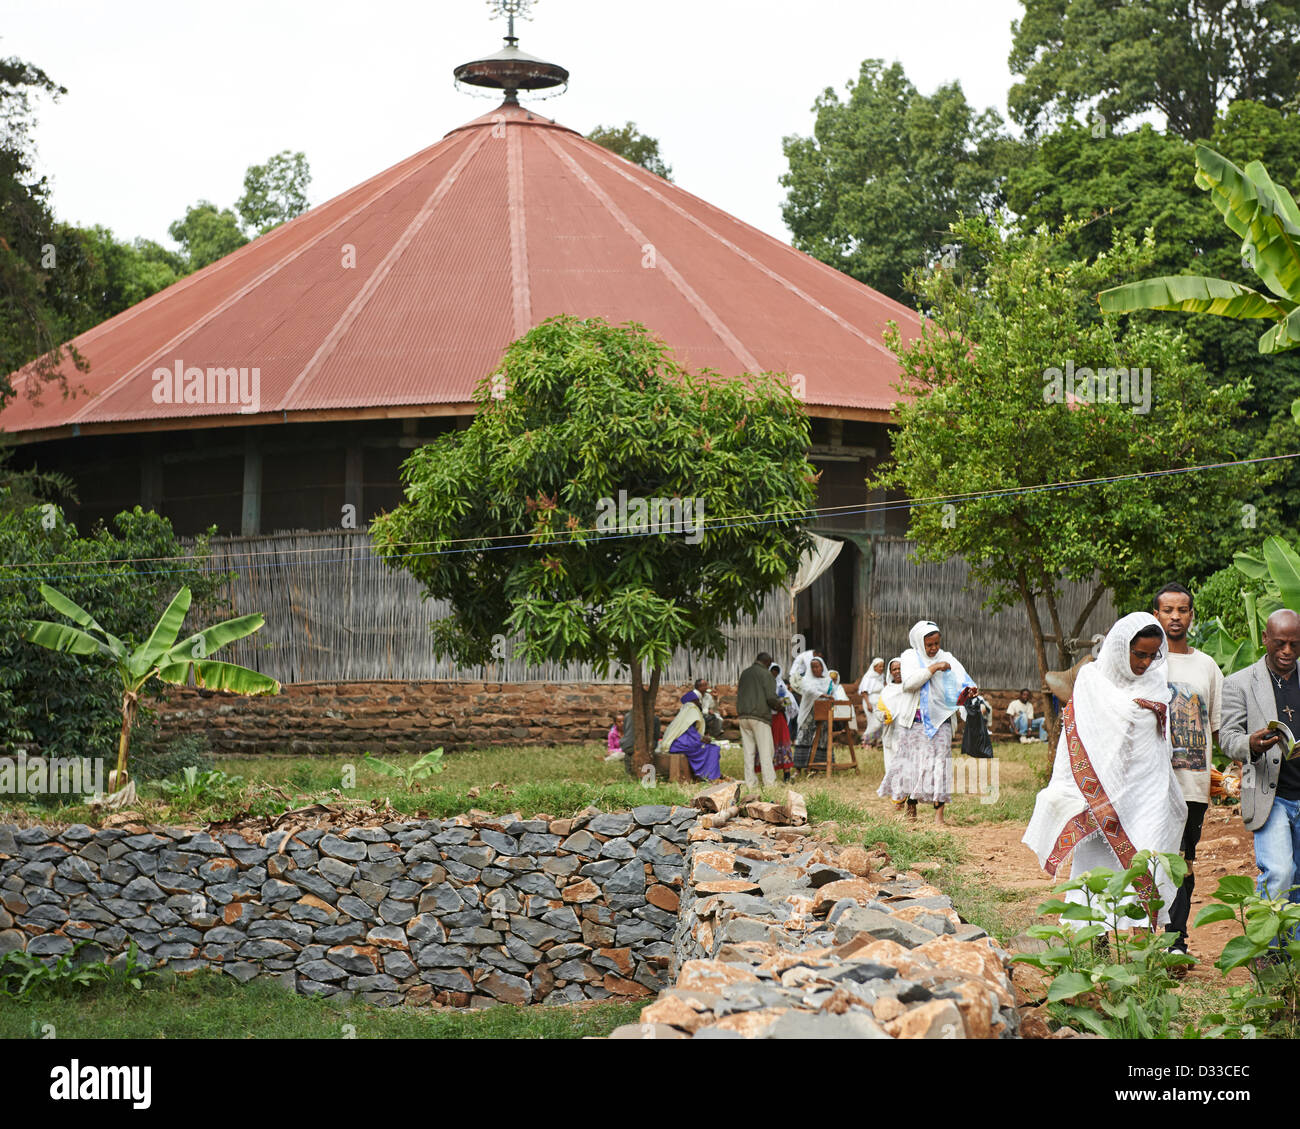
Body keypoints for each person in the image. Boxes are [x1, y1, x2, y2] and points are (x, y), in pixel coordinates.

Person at [1023, 613, 1187, 933]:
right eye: (1138, 654)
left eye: (1152, 655)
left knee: (1148, 862)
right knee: (1095, 872)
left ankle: (1144, 947)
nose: (1145, 662)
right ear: (1119, 647)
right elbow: (1081, 738)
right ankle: (1096, 940)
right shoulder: (1091, 681)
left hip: (1148, 791)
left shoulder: (1156, 679)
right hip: (1101, 795)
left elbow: (1159, 742)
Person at [1221, 608, 1300, 950]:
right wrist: (1249, 745)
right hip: (1271, 796)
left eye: (1295, 645)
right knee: (1280, 872)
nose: (1287, 651)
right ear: (1265, 639)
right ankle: (1268, 950)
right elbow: (1227, 737)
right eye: (1280, 643)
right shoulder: (1239, 682)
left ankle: (1293, 958)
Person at [1153, 582, 1223, 966]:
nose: (1176, 617)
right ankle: (1149, 936)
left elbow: (1216, 728)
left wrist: (1226, 770)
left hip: (1193, 783)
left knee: (1184, 860)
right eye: (1168, 610)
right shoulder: (1146, 661)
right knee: (1152, 857)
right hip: (1151, 783)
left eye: (1183, 610)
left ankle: (1177, 939)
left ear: (1191, 616)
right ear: (1155, 616)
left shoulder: (1207, 666)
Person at [877, 620, 979, 825]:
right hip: (914, 721)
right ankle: (911, 807)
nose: (934, 648)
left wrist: (970, 689)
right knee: (912, 766)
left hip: (941, 720)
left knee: (940, 765)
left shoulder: (947, 657)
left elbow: (964, 679)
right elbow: (909, 684)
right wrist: (933, 668)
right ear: (918, 642)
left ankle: (939, 816)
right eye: (929, 645)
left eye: (936, 643)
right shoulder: (909, 657)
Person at [737, 651, 784, 789]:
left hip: (743, 716)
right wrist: (779, 705)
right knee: (765, 751)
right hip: (759, 717)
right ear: (768, 662)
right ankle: (770, 783)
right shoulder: (766, 674)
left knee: (748, 752)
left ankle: (751, 783)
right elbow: (770, 697)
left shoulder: (745, 673)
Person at [657, 690, 721, 781]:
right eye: (698, 701)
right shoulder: (692, 709)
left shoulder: (685, 710)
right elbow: (690, 731)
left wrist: (700, 739)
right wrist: (701, 739)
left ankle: (706, 774)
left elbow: (689, 731)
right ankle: (710, 776)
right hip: (680, 744)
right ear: (693, 701)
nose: (699, 703)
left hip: (676, 744)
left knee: (709, 747)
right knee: (712, 749)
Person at [791, 657, 834, 772]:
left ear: (822, 667)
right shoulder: (806, 680)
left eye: (817, 666)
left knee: (822, 737)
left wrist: (830, 697)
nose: (815, 669)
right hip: (809, 712)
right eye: (812, 667)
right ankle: (799, 768)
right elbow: (809, 691)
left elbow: (833, 692)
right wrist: (823, 695)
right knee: (804, 736)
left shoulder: (828, 681)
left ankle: (817, 767)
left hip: (824, 711)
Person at [874, 657, 905, 778]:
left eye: (900, 668)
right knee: (892, 760)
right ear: (890, 672)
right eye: (894, 669)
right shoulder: (886, 691)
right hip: (891, 732)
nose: (897, 671)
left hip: (908, 731)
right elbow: (878, 711)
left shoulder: (911, 688)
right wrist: (884, 715)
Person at [769, 663, 795, 781]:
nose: (774, 674)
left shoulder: (781, 686)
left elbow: (790, 703)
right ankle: (770, 774)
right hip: (768, 720)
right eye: (772, 671)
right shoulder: (765, 686)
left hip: (779, 719)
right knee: (770, 746)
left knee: (783, 744)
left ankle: (787, 774)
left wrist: (781, 705)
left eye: (776, 671)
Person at [859, 657, 887, 746]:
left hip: (880, 703)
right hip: (870, 702)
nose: (881, 668)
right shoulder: (869, 677)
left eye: (883, 667)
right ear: (874, 667)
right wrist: (868, 704)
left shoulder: (881, 677)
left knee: (881, 721)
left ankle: (875, 741)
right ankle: (865, 740)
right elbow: (864, 692)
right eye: (879, 667)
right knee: (875, 723)